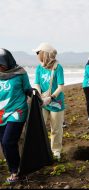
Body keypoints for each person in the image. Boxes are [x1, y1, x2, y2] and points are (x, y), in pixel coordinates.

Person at [0, 48, 32, 182]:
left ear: (8, 61)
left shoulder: (20, 73)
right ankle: (15, 168)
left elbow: (27, 90)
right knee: (3, 143)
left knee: (8, 142)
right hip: (1, 113)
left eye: (1, 64)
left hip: (17, 111)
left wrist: (37, 98)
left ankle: (17, 172)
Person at [33, 42, 65, 160]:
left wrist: (50, 98)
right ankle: (40, 150)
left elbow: (61, 86)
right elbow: (36, 83)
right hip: (42, 102)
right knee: (39, 127)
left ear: (44, 54)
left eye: (38, 52)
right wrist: (39, 95)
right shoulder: (39, 67)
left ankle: (56, 151)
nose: (37, 55)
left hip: (56, 103)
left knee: (56, 129)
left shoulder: (58, 67)